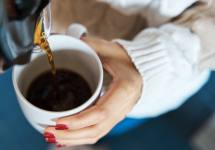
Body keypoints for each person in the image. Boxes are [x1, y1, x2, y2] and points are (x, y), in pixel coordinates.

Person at [43, 0, 215, 147]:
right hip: (55, 22)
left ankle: (81, 142)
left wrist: (151, 62)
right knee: (87, 123)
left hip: (155, 80)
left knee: (113, 122)